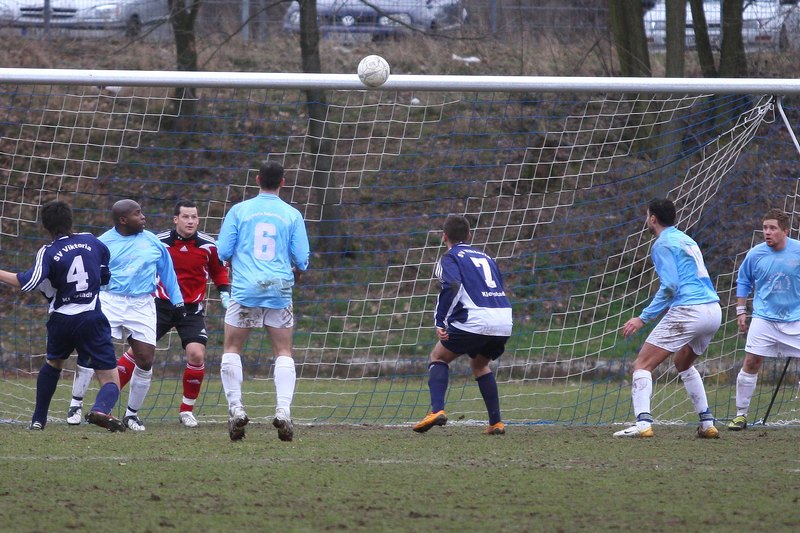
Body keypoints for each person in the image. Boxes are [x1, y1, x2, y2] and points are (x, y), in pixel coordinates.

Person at [0, 200, 124, 432]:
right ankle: (100, 409)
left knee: (53, 364)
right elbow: (105, 275)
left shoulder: (48, 251)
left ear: (46, 227)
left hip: (61, 320)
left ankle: (38, 419)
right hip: (91, 318)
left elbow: (28, 282)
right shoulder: (91, 240)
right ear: (70, 220)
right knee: (110, 379)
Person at [66, 199, 184, 432]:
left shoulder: (153, 241)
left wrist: (178, 301)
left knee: (145, 359)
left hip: (142, 304)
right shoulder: (102, 243)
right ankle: (75, 404)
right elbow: (89, 274)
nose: (143, 217)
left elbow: (168, 272)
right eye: (137, 214)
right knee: (89, 352)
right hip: (110, 300)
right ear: (123, 220)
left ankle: (132, 415)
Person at [216, 160, 310, 442]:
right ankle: (283, 411)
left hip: (245, 289)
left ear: (257, 180)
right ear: (283, 182)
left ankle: (236, 409)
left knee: (232, 347)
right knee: (283, 351)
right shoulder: (292, 214)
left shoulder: (239, 211)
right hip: (279, 289)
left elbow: (223, 250)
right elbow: (302, 259)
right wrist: (294, 269)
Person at [614, 198, 722, 439]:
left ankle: (643, 424)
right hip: (713, 310)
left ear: (653, 218)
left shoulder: (662, 244)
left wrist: (643, 318)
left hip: (689, 310)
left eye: (647, 216)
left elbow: (671, 286)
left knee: (642, 365)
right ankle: (707, 423)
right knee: (683, 362)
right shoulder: (686, 239)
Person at [412, 214, 513, 436]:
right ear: (469, 235)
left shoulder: (450, 257)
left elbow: (452, 285)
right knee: (480, 364)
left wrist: (440, 320)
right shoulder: (487, 257)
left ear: (444, 237)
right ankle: (496, 422)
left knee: (438, 357)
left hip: (475, 319)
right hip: (504, 319)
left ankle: (437, 411)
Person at [152, 200, 230, 427]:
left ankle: (186, 410)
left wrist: (224, 293)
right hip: (161, 306)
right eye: (185, 217)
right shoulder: (158, 242)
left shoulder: (209, 245)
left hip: (191, 310)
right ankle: (107, 404)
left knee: (196, 355)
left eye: (194, 217)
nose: (190, 221)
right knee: (139, 353)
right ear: (175, 219)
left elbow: (218, 271)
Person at [728, 208, 800, 430]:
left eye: (772, 228)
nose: (767, 232)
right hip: (764, 318)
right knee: (751, 362)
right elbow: (743, 280)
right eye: (765, 228)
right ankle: (741, 414)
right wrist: (741, 310)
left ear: (785, 231)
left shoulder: (798, 251)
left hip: (796, 318)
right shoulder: (755, 254)